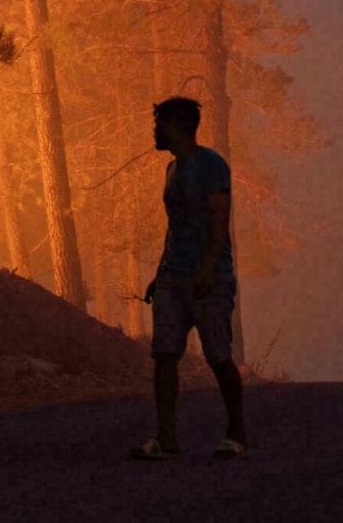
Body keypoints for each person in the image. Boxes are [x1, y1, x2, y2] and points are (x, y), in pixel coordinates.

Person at [131, 95, 247, 460]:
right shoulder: (171, 171)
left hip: (209, 278)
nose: (154, 131)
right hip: (172, 277)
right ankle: (166, 439)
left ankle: (236, 434)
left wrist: (208, 269)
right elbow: (175, 227)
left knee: (218, 357)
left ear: (178, 126)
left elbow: (219, 219)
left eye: (159, 124)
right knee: (164, 356)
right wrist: (159, 273)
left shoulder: (212, 165)